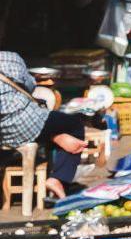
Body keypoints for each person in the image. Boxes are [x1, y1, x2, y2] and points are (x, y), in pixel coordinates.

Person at [0, 52, 87, 201]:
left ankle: (58, 137)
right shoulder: (9, 58)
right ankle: (58, 178)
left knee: (53, 129)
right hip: (27, 122)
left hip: (3, 133)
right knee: (75, 124)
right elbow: (30, 85)